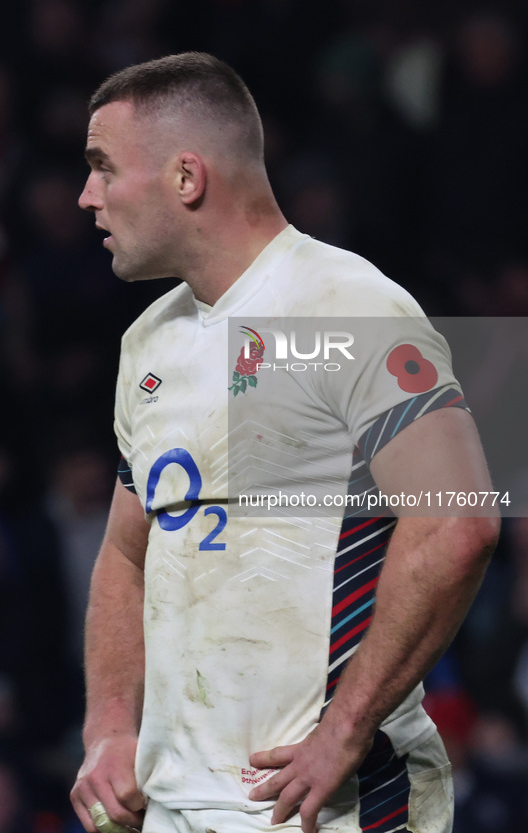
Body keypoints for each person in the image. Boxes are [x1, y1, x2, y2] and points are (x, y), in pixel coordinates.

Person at [70, 52, 500, 833]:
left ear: (185, 177)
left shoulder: (347, 306)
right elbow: (126, 552)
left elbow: (458, 519)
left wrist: (343, 729)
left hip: (317, 808)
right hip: (173, 806)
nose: (86, 196)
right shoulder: (147, 343)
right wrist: (107, 725)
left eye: (102, 168)